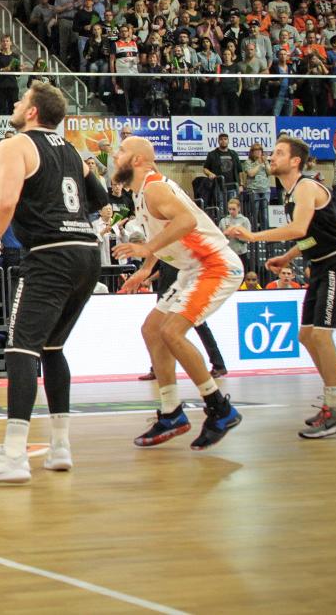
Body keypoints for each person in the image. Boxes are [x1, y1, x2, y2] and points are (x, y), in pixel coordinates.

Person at [0, 83, 108, 485]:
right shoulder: (72, 151)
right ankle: (59, 447)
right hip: (86, 253)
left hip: (51, 255)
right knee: (52, 348)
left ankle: (13, 456)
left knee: (20, 350)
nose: (14, 103)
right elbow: (99, 197)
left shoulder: (15, 145)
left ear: (31, 113)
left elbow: (4, 202)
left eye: (21, 99)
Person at [110, 137, 245, 450]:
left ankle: (219, 409)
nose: (116, 156)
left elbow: (186, 220)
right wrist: (145, 268)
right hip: (192, 269)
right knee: (152, 330)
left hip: (215, 265)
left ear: (138, 160)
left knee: (172, 331)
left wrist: (147, 248)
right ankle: (172, 413)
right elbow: (165, 232)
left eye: (122, 152)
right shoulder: (141, 192)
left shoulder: (155, 187)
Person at [226, 134, 336, 439]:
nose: (272, 158)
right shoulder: (291, 195)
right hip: (322, 264)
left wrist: (253, 237)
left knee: (320, 334)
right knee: (305, 334)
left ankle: (334, 411)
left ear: (295, 161)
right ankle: (335, 399)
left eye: (278, 153)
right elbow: (310, 236)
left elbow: (299, 229)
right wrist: (288, 255)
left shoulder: (306, 188)